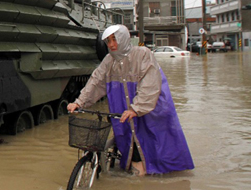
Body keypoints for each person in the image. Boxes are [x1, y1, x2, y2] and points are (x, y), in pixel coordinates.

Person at [67, 25, 194, 176]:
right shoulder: (109, 61)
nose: (112, 45)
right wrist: (79, 102)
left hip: (152, 106)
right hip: (124, 106)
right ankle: (137, 171)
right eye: (108, 41)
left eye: (115, 39)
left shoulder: (142, 54)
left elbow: (150, 84)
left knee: (158, 140)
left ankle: (162, 173)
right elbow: (96, 82)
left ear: (124, 38)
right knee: (128, 137)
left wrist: (137, 108)